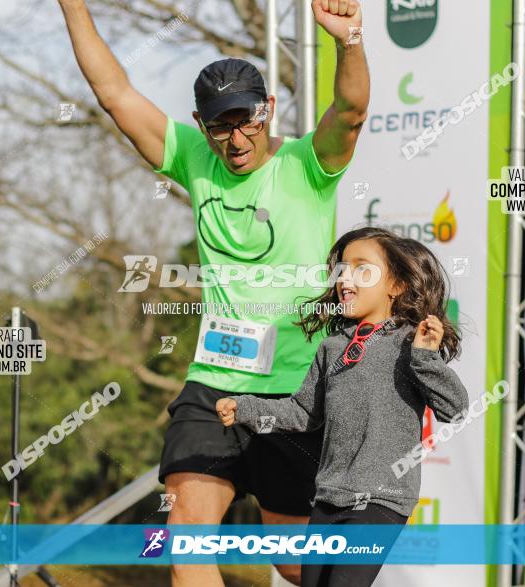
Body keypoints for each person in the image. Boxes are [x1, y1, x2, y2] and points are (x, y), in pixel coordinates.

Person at [57, 1, 369, 585]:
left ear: (267, 109)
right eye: (219, 124)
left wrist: (349, 40)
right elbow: (113, 92)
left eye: (246, 118)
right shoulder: (194, 159)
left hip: (293, 395)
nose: (236, 137)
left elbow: (350, 111)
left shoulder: (308, 164)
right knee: (188, 543)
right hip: (213, 384)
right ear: (201, 126)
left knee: (297, 563)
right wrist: (73, 6)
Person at [216, 227, 471, 587]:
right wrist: (246, 408)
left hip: (382, 499)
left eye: (361, 269)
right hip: (328, 499)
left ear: (396, 285)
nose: (345, 279)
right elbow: (303, 412)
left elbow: (456, 409)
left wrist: (426, 358)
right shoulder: (331, 347)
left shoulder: (408, 344)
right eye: (341, 270)